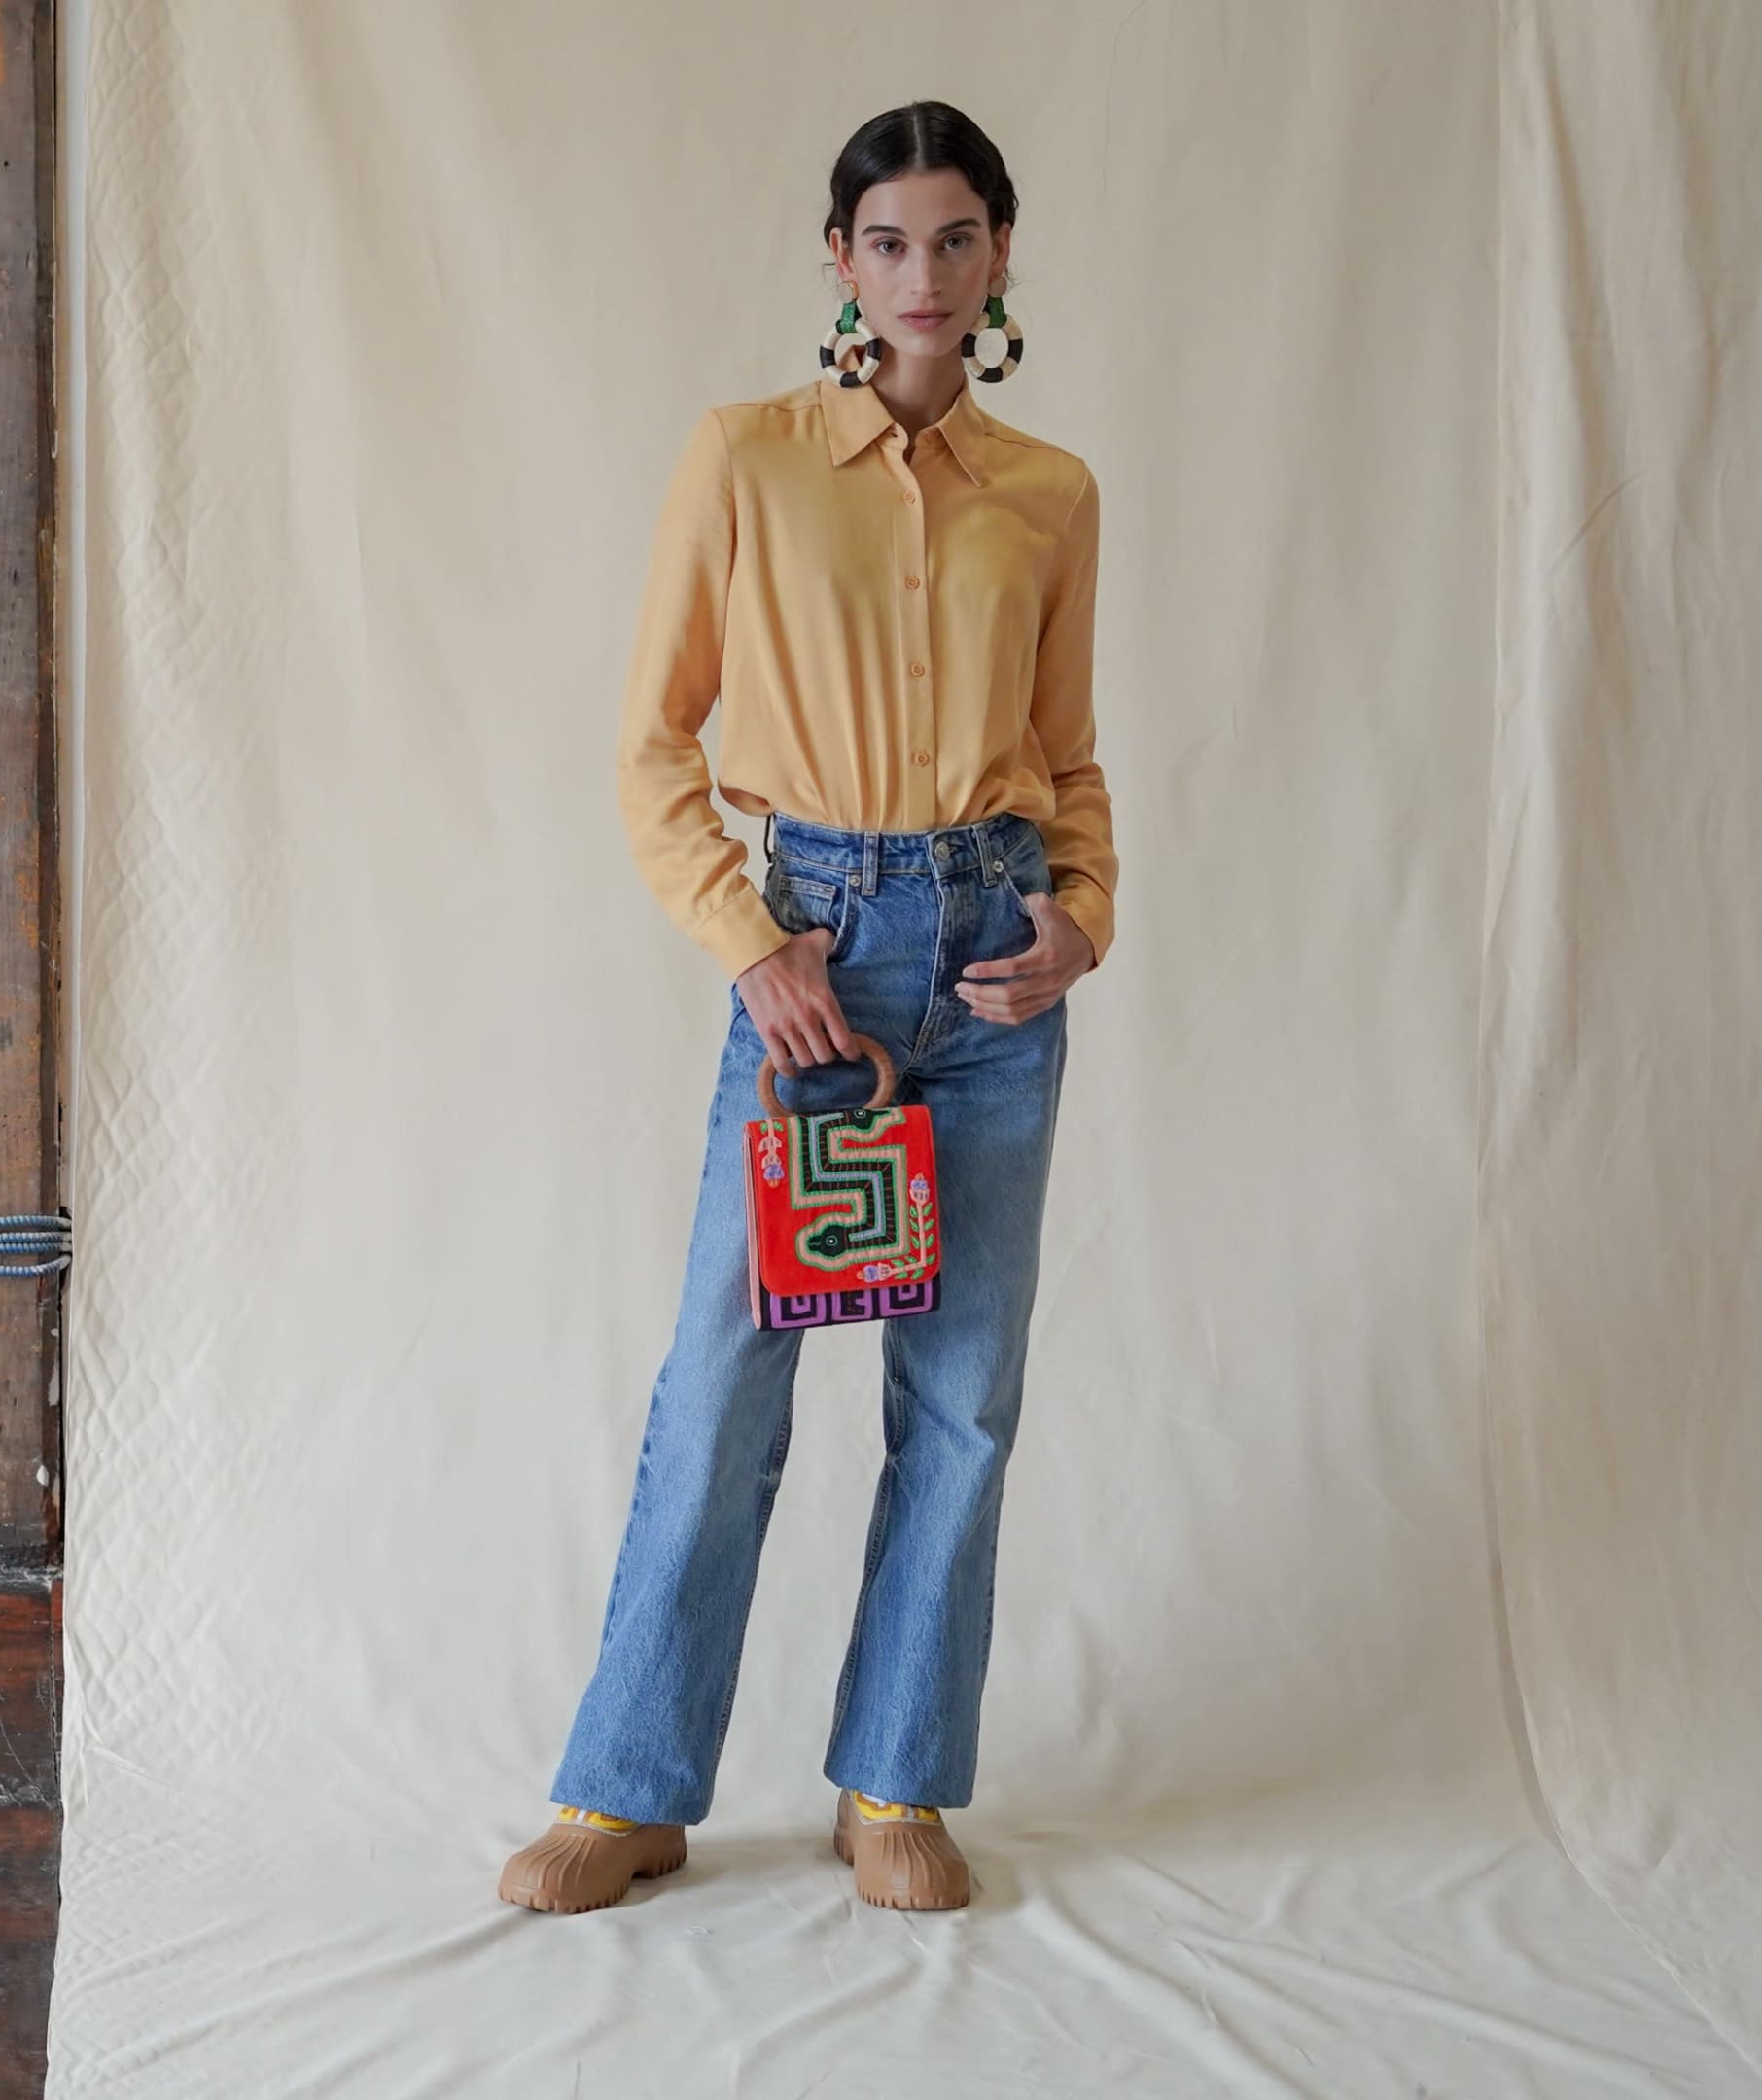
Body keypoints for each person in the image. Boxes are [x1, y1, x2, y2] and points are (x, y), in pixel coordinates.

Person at [498, 101, 1114, 1916]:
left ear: (1001, 257)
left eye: (957, 239)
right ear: (841, 262)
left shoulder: (1053, 493)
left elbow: (1068, 757)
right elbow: (650, 748)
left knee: (968, 1393)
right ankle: (630, 1788)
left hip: (996, 962)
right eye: (889, 241)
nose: (924, 275)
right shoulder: (746, 460)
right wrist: (751, 943)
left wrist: (1081, 916)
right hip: (822, 961)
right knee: (727, 1374)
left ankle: (895, 1782)